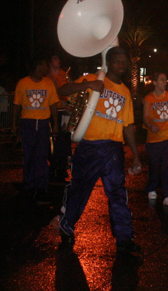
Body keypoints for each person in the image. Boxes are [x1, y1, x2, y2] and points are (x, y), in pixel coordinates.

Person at [57, 47, 143, 253]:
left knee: (117, 193)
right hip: (89, 146)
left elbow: (128, 126)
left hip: (113, 149)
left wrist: (136, 156)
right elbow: (61, 91)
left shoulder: (125, 92)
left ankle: (124, 237)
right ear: (109, 62)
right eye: (118, 61)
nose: (121, 65)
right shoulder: (93, 78)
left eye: (124, 62)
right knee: (79, 189)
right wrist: (88, 84)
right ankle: (66, 227)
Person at [12, 58, 60, 203]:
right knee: (29, 155)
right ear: (37, 67)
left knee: (41, 155)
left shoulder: (48, 83)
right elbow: (16, 105)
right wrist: (14, 124)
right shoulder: (23, 83)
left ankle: (41, 186)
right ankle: (28, 185)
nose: (45, 69)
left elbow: (53, 105)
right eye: (43, 66)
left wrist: (55, 124)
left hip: (43, 123)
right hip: (28, 123)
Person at [143, 71, 168, 206]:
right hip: (153, 138)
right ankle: (152, 188)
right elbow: (146, 116)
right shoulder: (148, 98)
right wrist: (150, 125)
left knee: (167, 166)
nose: (165, 82)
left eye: (166, 80)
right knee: (154, 165)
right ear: (154, 82)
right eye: (162, 80)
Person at [49, 54, 72, 183]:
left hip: (63, 109)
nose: (58, 60)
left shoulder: (64, 74)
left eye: (58, 58)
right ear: (50, 61)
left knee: (64, 138)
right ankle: (53, 164)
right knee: (52, 139)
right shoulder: (46, 75)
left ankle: (63, 165)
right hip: (52, 109)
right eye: (55, 58)